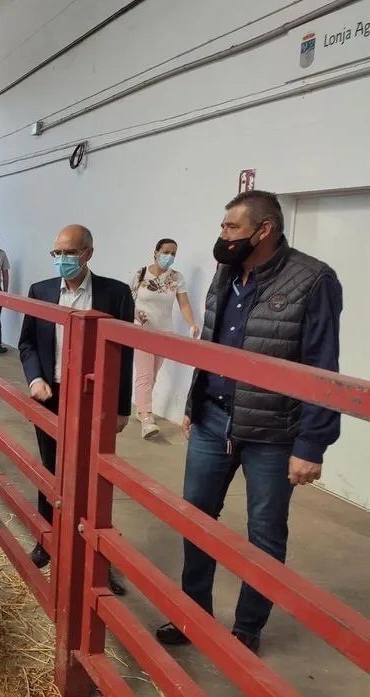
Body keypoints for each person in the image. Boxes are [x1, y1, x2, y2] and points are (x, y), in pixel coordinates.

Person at [155, 190, 342, 655]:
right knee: (196, 518)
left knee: (264, 533)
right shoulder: (226, 272)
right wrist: (194, 401)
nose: (223, 237)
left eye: (232, 228)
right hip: (213, 420)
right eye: (222, 227)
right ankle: (191, 613)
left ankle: (246, 630)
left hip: (275, 433)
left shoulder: (313, 280)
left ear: (264, 230)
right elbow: (215, 342)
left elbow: (324, 366)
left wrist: (312, 444)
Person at [18, 224, 134, 596]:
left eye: (70, 253)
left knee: (93, 475)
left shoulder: (115, 294)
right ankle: (46, 540)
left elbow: (125, 353)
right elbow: (27, 344)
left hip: (95, 399)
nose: (63, 260)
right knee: (50, 469)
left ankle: (96, 555)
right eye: (57, 254)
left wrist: (121, 407)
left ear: (88, 253)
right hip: (51, 394)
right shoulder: (41, 291)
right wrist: (35, 378)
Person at [130, 238, 200, 439]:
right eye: (166, 252)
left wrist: (192, 324)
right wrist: (135, 313)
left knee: (152, 374)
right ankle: (146, 419)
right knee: (144, 374)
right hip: (142, 331)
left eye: (173, 253)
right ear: (156, 252)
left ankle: (141, 407)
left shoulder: (177, 278)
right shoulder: (139, 274)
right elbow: (127, 299)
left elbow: (184, 304)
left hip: (164, 333)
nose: (169, 256)